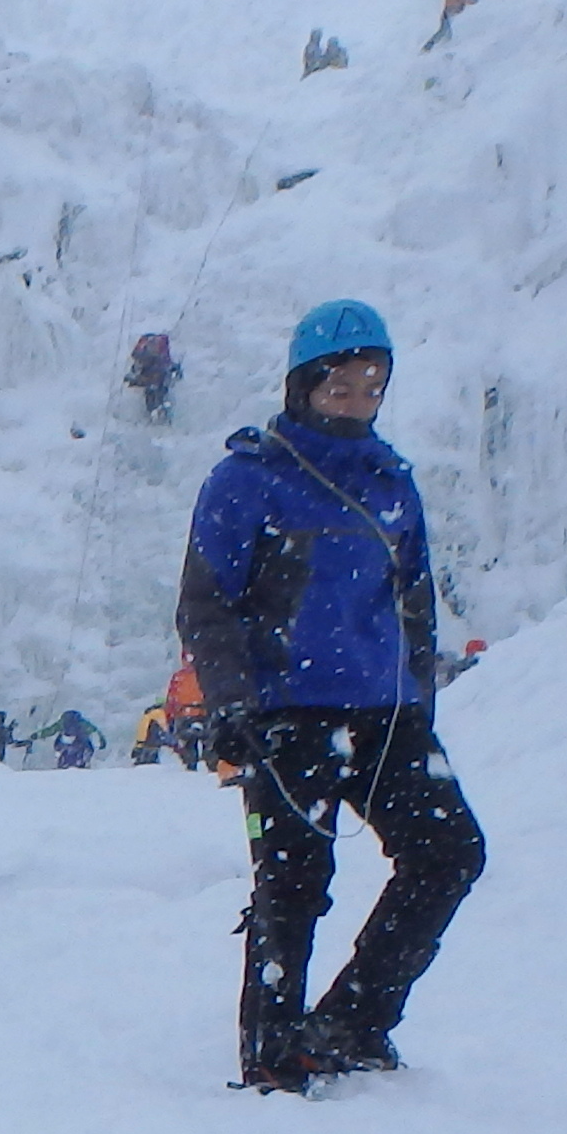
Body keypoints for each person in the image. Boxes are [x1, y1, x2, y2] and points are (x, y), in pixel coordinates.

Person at [176, 300, 488, 1087]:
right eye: (338, 387)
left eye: (370, 387)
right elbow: (207, 603)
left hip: (384, 714)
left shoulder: (391, 481)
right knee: (292, 886)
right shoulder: (248, 478)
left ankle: (353, 1022)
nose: (354, 402)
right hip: (285, 713)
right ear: (302, 387)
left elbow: (412, 600)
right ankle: (274, 1052)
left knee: (450, 854)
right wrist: (231, 702)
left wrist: (418, 699)